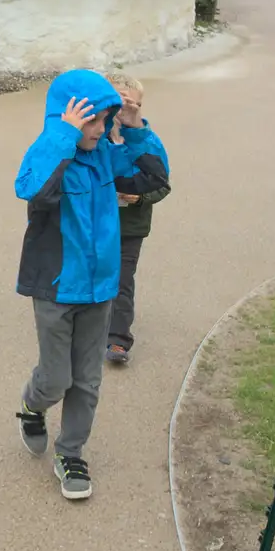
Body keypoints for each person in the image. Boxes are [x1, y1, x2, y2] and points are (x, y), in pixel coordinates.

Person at [14, 69, 168, 500]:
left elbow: (156, 177)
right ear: (70, 117)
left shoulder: (106, 155)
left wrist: (134, 128)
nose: (102, 130)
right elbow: (33, 190)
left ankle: (71, 453)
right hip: (57, 289)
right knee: (56, 378)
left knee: (86, 380)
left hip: (101, 289)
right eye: (94, 121)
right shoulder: (51, 154)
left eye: (107, 120)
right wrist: (64, 134)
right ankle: (32, 404)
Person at [102, 72, 171, 366]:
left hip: (129, 226)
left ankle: (118, 338)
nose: (125, 109)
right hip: (94, 221)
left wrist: (141, 198)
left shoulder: (146, 139)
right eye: (118, 102)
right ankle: (83, 325)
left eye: (133, 104)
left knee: (121, 280)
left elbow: (161, 183)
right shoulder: (93, 134)